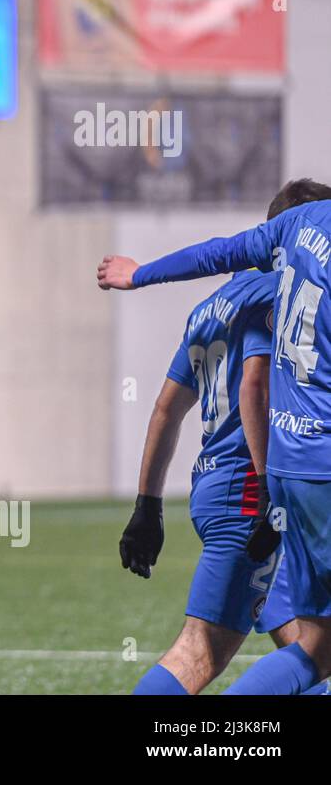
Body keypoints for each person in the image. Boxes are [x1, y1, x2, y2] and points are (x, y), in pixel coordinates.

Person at [98, 178, 331, 694]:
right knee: (202, 650)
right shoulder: (277, 289)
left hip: (220, 485)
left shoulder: (211, 305)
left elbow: (165, 409)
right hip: (260, 482)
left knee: (303, 641)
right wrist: (268, 489)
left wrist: (148, 504)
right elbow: (255, 381)